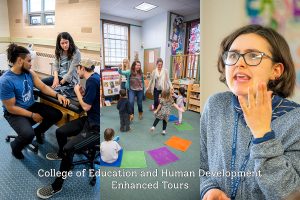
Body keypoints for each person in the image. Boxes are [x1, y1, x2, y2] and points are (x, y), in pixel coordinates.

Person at [200, 24, 300, 200]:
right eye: (233, 55)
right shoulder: (215, 105)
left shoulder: (296, 122)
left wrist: (263, 134)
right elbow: (201, 165)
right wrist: (208, 188)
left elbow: (290, 195)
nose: (239, 62)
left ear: (276, 71)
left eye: (253, 55)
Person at [37, 59, 100, 199]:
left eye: (78, 69)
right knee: (60, 132)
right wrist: (83, 94)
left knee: (68, 148)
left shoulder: (92, 81)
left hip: (97, 129)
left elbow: (86, 107)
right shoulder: (95, 78)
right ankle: (63, 156)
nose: (77, 72)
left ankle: (57, 186)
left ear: (82, 68)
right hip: (89, 120)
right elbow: (92, 101)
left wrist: (77, 92)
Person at [0, 44, 69, 159]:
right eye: (29, 61)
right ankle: (15, 147)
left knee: (56, 114)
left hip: (30, 106)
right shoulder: (5, 81)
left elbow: (42, 86)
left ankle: (38, 131)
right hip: (14, 113)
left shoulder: (29, 72)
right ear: (20, 61)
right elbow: (11, 108)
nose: (31, 64)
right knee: (28, 135)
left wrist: (57, 95)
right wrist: (32, 115)